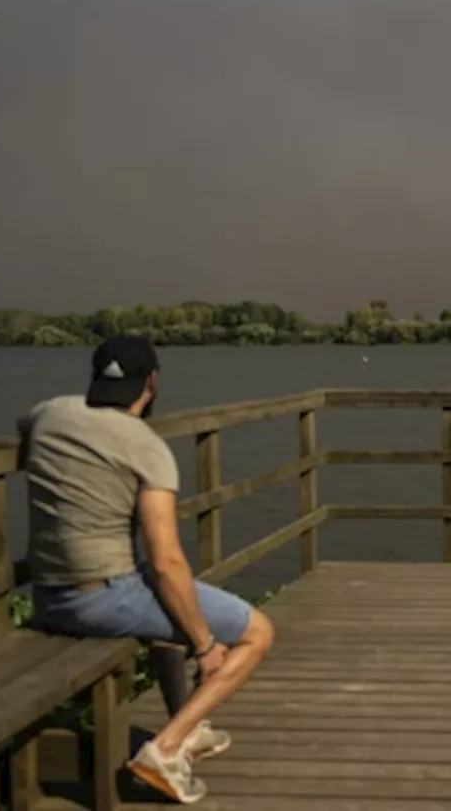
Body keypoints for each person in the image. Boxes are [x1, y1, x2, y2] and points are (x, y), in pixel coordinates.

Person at [18, 336, 275, 804]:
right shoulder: (147, 448)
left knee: (163, 604)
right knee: (258, 632)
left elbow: (27, 432)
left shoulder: (48, 413)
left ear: (95, 376)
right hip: (101, 598)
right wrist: (205, 644)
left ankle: (189, 726)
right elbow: (166, 561)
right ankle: (167, 747)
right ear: (151, 383)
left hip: (48, 594)